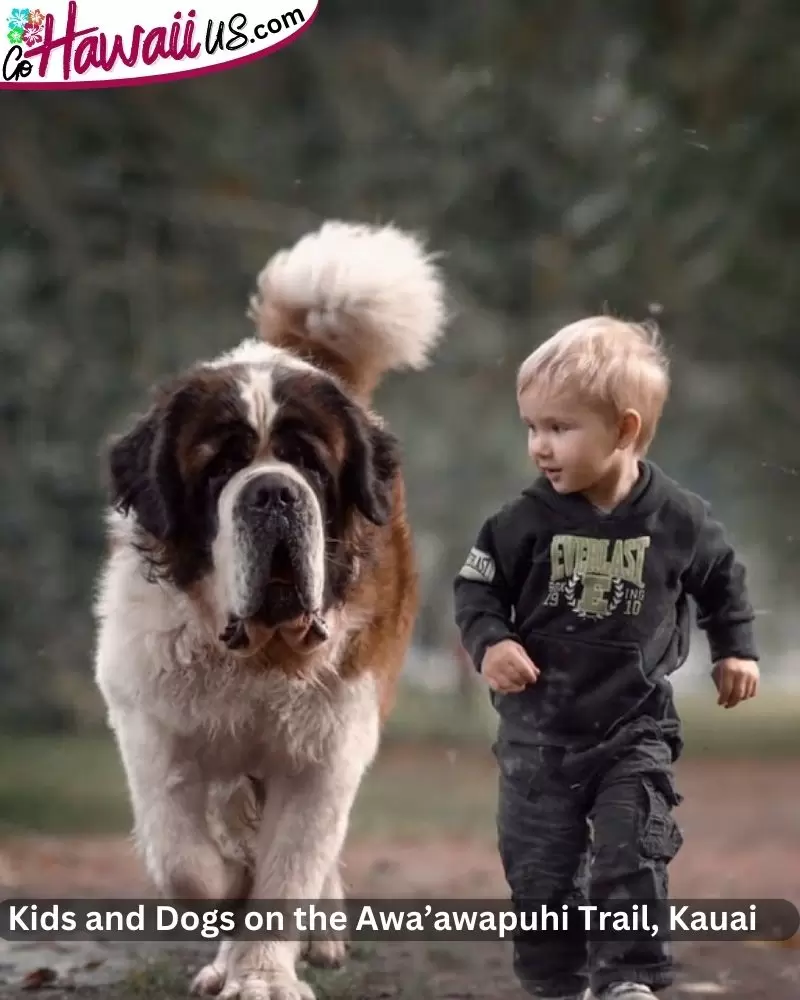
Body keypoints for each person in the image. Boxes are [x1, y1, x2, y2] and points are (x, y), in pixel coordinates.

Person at [452, 316, 760, 1000]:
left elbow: (722, 583)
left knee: (632, 849)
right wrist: (492, 642)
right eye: (531, 427)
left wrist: (735, 650)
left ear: (624, 429)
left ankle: (628, 979)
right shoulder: (520, 523)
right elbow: (476, 590)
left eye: (559, 428)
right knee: (541, 871)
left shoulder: (680, 519)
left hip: (634, 731)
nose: (539, 446)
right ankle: (557, 982)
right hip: (539, 735)